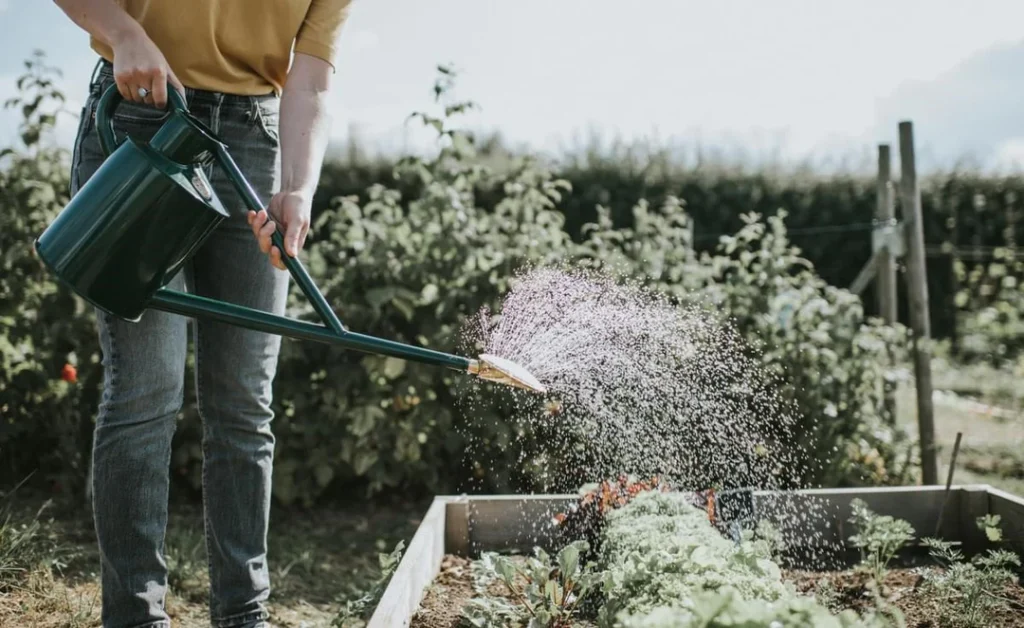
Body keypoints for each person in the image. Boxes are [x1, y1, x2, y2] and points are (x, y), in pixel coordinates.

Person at [52, 1, 352, 626]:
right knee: (146, 390)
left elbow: (312, 71)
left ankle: (244, 616)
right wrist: (124, 33)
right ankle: (136, 616)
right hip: (142, 113)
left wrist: (297, 187)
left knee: (244, 402)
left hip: (256, 140)